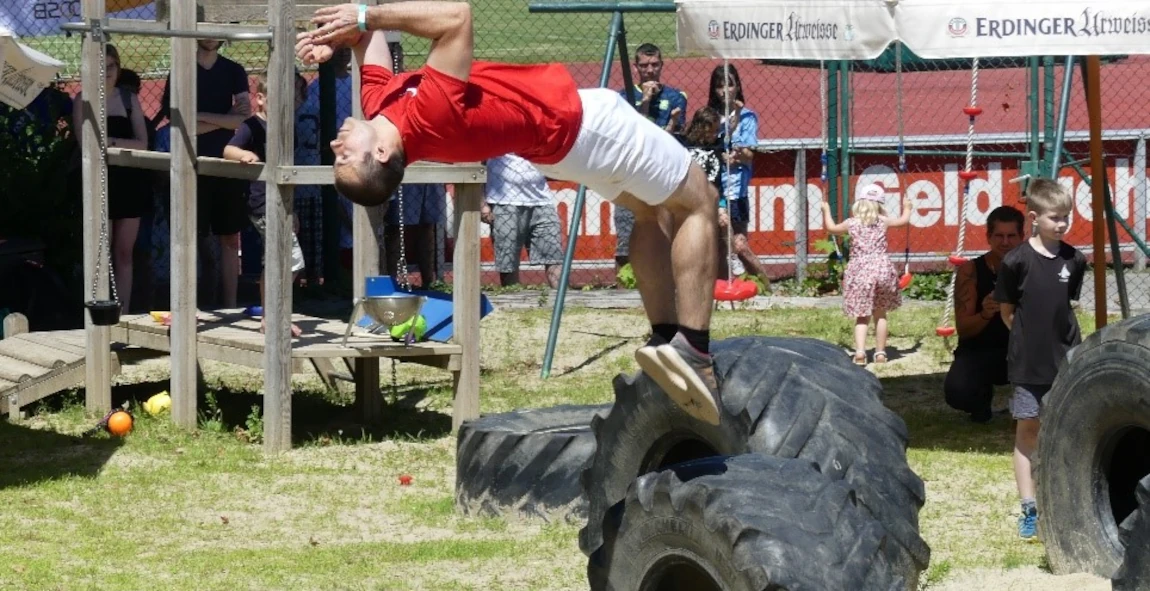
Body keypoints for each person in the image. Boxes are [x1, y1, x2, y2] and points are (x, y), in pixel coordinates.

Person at [296, 2, 722, 425]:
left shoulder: (381, 108)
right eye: (346, 157)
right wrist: (367, 17)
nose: (336, 148)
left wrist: (342, 36)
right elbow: (458, 16)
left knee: (650, 212)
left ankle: (666, 339)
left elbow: (368, 41)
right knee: (698, 202)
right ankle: (694, 350)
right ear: (382, 153)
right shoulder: (428, 117)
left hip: (562, 143)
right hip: (579, 123)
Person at [993, 178, 1086, 542]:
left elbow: (1067, 306)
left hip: (1066, 361)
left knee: (1065, 429)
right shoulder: (1016, 261)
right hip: (1028, 365)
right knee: (1028, 431)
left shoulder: (1074, 259)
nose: (1061, 224)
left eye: (1066, 217)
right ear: (1033, 217)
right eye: (1054, 218)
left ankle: (1064, 503)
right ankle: (1029, 507)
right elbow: (1007, 312)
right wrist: (1029, 341)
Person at [152, 9, 252, 309]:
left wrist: (201, 118)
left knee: (230, 238)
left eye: (216, 28)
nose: (210, 35)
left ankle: (231, 306)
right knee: (189, 238)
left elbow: (242, 118)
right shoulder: (181, 69)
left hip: (225, 162)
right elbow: (178, 121)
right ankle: (187, 306)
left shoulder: (234, 70)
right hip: (189, 162)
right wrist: (223, 119)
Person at [223, 75, 307, 337]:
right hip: (261, 201)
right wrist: (244, 155)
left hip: (282, 201)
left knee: (278, 260)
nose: (288, 104)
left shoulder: (286, 127)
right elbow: (228, 150)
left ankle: (273, 316)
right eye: (280, 98)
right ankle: (272, 317)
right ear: (260, 99)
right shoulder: (252, 126)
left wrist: (292, 211)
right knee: (288, 258)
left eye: (293, 99)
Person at [71, 44, 151, 314]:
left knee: (124, 253)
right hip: (99, 182)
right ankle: (98, 310)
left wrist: (111, 142)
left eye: (111, 66)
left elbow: (142, 143)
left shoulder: (129, 99)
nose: (106, 72)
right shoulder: (83, 100)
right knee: (100, 253)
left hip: (129, 182)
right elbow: (87, 146)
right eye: (100, 67)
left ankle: (124, 313)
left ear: (118, 67)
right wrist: (107, 145)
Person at [943, 206, 1025, 423]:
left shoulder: (1032, 269)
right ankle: (980, 401)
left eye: (1011, 236)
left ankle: (1028, 406)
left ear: (1022, 237)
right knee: (958, 392)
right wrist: (985, 313)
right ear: (988, 237)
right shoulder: (971, 271)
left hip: (1021, 350)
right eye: (999, 235)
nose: (1005, 242)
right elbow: (964, 329)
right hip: (981, 349)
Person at [614, 43, 688, 276]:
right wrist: (645, 101)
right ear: (635, 68)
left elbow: (672, 139)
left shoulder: (676, 97)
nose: (650, 70)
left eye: (655, 64)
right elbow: (631, 134)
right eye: (644, 65)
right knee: (626, 239)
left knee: (666, 236)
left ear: (662, 65)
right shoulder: (624, 96)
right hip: (631, 176)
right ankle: (622, 288)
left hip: (662, 175)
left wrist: (673, 125)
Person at [821, 183, 912, 365]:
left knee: (862, 316)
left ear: (859, 203)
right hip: (882, 269)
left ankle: (860, 353)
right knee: (880, 314)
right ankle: (880, 354)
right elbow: (903, 221)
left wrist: (826, 210)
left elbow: (830, 228)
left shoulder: (851, 223)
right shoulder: (883, 221)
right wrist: (907, 208)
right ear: (880, 205)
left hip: (860, 271)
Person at [708, 63, 768, 286]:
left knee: (739, 244)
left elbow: (749, 154)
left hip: (736, 189)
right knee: (719, 246)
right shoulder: (710, 116)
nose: (725, 91)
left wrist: (736, 152)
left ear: (737, 87)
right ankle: (722, 289)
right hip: (715, 188)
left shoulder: (747, 116)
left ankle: (765, 286)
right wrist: (718, 153)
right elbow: (703, 145)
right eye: (719, 86)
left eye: (729, 85)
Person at [481, 153, 566, 289]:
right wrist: (482, 204)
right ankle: (512, 299)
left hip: (542, 200)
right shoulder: (492, 133)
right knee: (508, 261)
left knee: (554, 255)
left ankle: (561, 299)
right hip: (504, 202)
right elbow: (479, 162)